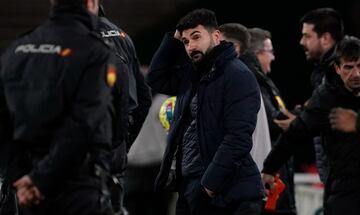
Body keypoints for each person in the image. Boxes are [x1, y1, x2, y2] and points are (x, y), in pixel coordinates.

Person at [0, 0, 115, 214]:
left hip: (28, 189)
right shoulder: (95, 51)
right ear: (91, 3)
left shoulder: (17, 49)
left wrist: (21, 179)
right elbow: (84, 123)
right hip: (76, 187)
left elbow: (4, 122)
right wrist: (41, 179)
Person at [147, 8, 264, 215]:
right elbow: (155, 78)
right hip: (189, 187)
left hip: (223, 193)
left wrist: (209, 185)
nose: (191, 46)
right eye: (185, 41)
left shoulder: (238, 75)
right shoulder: (191, 75)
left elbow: (238, 138)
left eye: (196, 37)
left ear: (216, 36)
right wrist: (173, 40)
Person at [262, 36, 360, 215]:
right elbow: (296, 132)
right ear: (337, 68)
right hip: (344, 192)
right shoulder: (326, 98)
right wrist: (269, 167)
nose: (356, 74)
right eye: (349, 67)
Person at [86, 3, 152, 214]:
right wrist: (123, 140)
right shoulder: (123, 37)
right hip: (116, 145)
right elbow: (144, 99)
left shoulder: (77, 35)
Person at [274, 7, 345, 183]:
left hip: (345, 173)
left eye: (307, 36)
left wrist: (301, 123)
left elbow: (340, 117)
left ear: (326, 38)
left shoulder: (341, 71)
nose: (301, 41)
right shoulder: (324, 70)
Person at [239, 27, 297, 215]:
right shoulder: (252, 81)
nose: (273, 57)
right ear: (258, 53)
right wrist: (304, 118)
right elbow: (275, 121)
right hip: (264, 178)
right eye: (270, 51)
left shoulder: (261, 81)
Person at [219, 23, 272, 171]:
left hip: (241, 179)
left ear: (234, 47)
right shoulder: (244, 76)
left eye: (216, 41)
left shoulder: (241, 81)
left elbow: (237, 139)